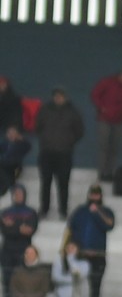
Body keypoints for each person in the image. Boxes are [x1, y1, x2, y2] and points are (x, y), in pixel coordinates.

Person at [66, 185, 116, 297]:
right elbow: (71, 227)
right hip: (81, 255)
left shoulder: (106, 211)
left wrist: (98, 212)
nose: (94, 197)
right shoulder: (80, 211)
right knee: (76, 286)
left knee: (96, 287)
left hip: (98, 255)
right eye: (92, 194)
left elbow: (110, 225)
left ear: (100, 196)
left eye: (97, 195)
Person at [34, 87, 84, 219]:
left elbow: (79, 131)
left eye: (61, 96)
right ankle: (44, 209)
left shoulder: (73, 112)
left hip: (64, 153)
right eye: (56, 96)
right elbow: (37, 126)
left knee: (63, 183)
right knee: (45, 182)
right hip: (47, 152)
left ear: (65, 97)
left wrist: (69, 142)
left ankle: (63, 210)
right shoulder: (45, 110)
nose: (58, 98)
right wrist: (45, 139)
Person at [90, 67, 122, 180]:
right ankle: (102, 172)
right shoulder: (107, 82)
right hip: (104, 119)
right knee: (104, 146)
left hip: (119, 120)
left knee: (114, 148)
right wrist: (102, 107)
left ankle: (110, 172)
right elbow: (95, 94)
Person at [0, 183, 38, 297]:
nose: (18, 196)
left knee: (24, 279)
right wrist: (20, 227)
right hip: (7, 252)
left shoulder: (31, 212)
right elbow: (5, 230)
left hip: (24, 251)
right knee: (7, 279)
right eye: (15, 194)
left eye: (20, 194)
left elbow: (30, 230)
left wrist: (12, 225)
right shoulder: (5, 212)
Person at [0, 123, 32, 192]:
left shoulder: (20, 144)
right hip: (4, 166)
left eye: (13, 132)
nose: (11, 134)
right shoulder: (5, 143)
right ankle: (7, 187)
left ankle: (9, 186)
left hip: (15, 166)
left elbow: (28, 147)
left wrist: (22, 140)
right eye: (9, 132)